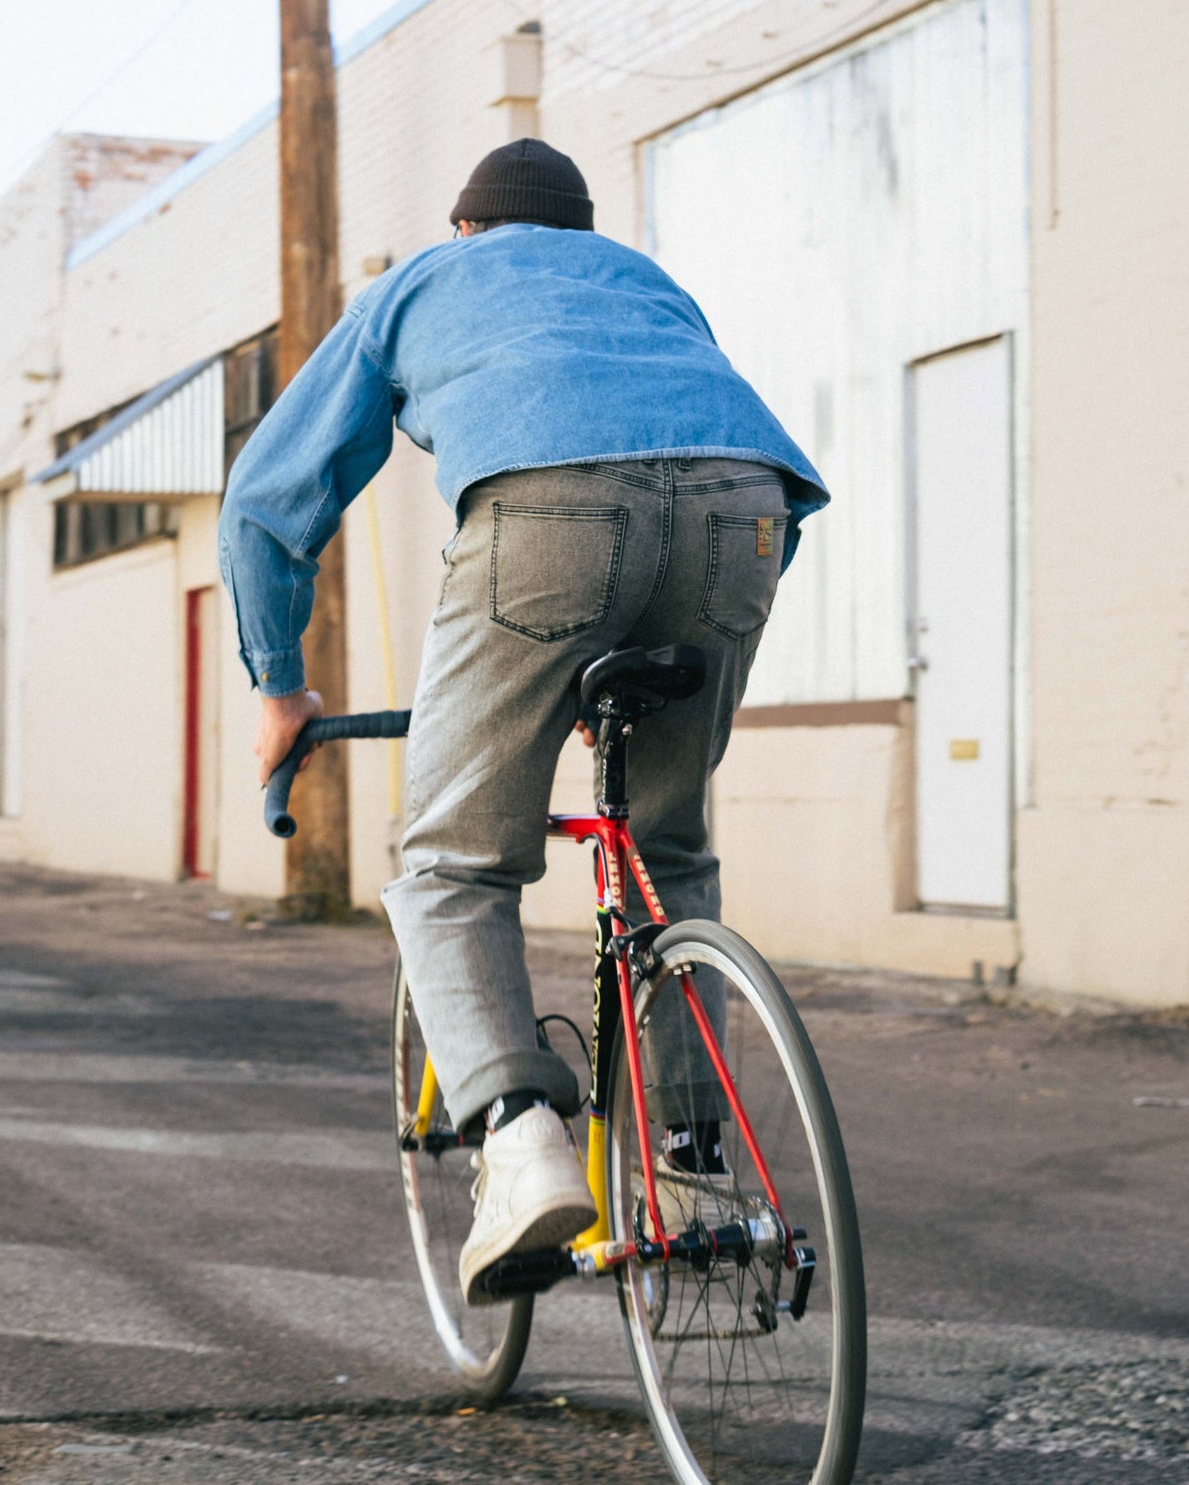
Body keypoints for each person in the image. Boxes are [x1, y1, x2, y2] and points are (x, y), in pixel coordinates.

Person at [219, 138, 826, 1303]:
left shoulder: (422, 285)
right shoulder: (640, 280)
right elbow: (726, 479)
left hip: (544, 515)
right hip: (745, 514)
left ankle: (518, 1137)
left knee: (452, 861)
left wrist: (278, 681)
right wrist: (658, 663)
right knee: (670, 850)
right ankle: (697, 1166)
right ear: (578, 231)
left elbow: (269, 497)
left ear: (465, 231)